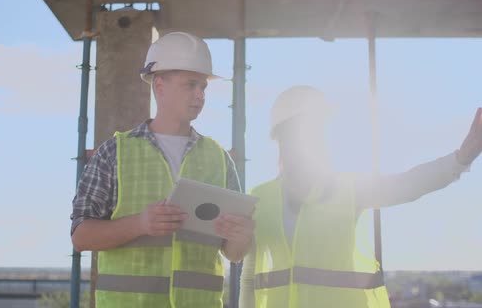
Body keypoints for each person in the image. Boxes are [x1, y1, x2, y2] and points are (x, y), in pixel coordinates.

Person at [239, 85, 482, 308]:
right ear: (281, 136)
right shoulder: (261, 197)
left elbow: (407, 185)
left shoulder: (346, 187)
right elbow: (250, 277)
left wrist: (461, 159)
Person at [70, 31, 254, 308]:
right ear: (159, 85)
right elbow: (81, 236)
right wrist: (140, 224)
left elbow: (234, 253)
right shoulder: (115, 152)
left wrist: (241, 238)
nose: (200, 95)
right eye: (190, 85)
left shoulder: (219, 158)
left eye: (203, 86)